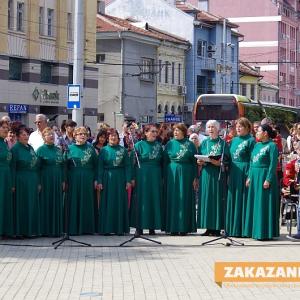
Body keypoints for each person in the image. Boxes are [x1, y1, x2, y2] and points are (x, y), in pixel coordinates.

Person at [245, 124, 279, 240]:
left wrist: (268, 179)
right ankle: (254, 231)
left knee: (263, 204)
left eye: (259, 131)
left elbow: (273, 164)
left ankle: (264, 232)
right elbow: (251, 162)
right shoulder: (257, 145)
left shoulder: (272, 146)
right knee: (255, 204)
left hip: (264, 177)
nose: (256, 133)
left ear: (265, 133)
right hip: (255, 177)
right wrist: (249, 176)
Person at [164, 123, 198, 235]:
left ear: (183, 132)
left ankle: (184, 227)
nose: (175, 132)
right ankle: (172, 227)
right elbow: (165, 161)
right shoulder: (169, 144)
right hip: (172, 173)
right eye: (174, 130)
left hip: (186, 173)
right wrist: (164, 176)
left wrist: (195, 177)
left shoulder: (190, 144)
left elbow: (194, 163)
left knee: (184, 198)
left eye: (178, 130)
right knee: (173, 198)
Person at [197, 120, 229, 237]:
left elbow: (224, 161)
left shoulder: (223, 143)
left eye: (213, 127)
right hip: (206, 174)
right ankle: (208, 227)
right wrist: (199, 161)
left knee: (216, 200)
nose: (210, 129)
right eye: (209, 127)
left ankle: (216, 227)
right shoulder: (204, 143)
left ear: (218, 129)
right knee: (207, 200)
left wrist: (213, 160)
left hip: (217, 174)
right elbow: (200, 157)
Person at [129, 124, 163, 235]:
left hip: (155, 176)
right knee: (141, 200)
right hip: (141, 175)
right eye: (152, 131)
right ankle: (139, 227)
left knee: (153, 200)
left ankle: (152, 226)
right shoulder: (138, 145)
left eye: (155, 132)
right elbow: (131, 163)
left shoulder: (159, 146)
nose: (154, 134)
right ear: (146, 133)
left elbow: (162, 162)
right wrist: (132, 177)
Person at [65, 127, 98, 235]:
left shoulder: (91, 149)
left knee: (87, 201)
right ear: (74, 135)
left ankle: (87, 228)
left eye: (84, 134)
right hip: (73, 178)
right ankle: (73, 228)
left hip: (88, 179)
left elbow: (96, 166)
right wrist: (65, 180)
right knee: (74, 201)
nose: (83, 136)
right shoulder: (68, 148)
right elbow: (64, 166)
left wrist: (96, 179)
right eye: (80, 134)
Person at [226, 118, 255, 237]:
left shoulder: (251, 140)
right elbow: (229, 156)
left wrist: (250, 175)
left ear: (248, 128)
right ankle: (233, 228)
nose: (238, 128)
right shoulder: (233, 140)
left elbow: (253, 160)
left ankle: (243, 229)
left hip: (245, 170)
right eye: (237, 126)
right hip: (233, 171)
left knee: (243, 199)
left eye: (241, 126)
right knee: (233, 198)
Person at [98, 129, 131, 235]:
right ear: (108, 138)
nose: (113, 138)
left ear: (118, 138)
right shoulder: (103, 150)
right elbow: (100, 167)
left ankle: (120, 228)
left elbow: (128, 166)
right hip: (107, 178)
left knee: (119, 202)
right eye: (111, 136)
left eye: (115, 136)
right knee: (108, 202)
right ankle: (106, 228)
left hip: (120, 178)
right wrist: (99, 181)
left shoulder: (123, 150)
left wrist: (128, 180)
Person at [11, 125, 40, 237]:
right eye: (23, 134)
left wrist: (38, 182)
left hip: (32, 180)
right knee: (22, 205)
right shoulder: (15, 149)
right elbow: (12, 167)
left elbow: (36, 165)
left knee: (31, 204)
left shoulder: (30, 148)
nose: (26, 136)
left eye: (27, 134)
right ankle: (21, 231)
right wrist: (13, 184)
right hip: (21, 181)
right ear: (18, 137)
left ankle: (31, 230)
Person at [36, 127, 65, 237]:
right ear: (44, 137)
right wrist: (38, 182)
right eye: (48, 134)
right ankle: (45, 229)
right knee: (46, 202)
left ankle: (57, 229)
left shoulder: (58, 150)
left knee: (57, 203)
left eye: (52, 134)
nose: (52, 136)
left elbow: (62, 166)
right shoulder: (40, 150)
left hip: (57, 179)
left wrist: (63, 180)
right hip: (46, 179)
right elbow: (37, 168)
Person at [0, 120, 14, 236]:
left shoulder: (4, 143)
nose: (6, 129)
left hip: (6, 176)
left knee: (4, 203)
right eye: (3, 127)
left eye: (7, 128)